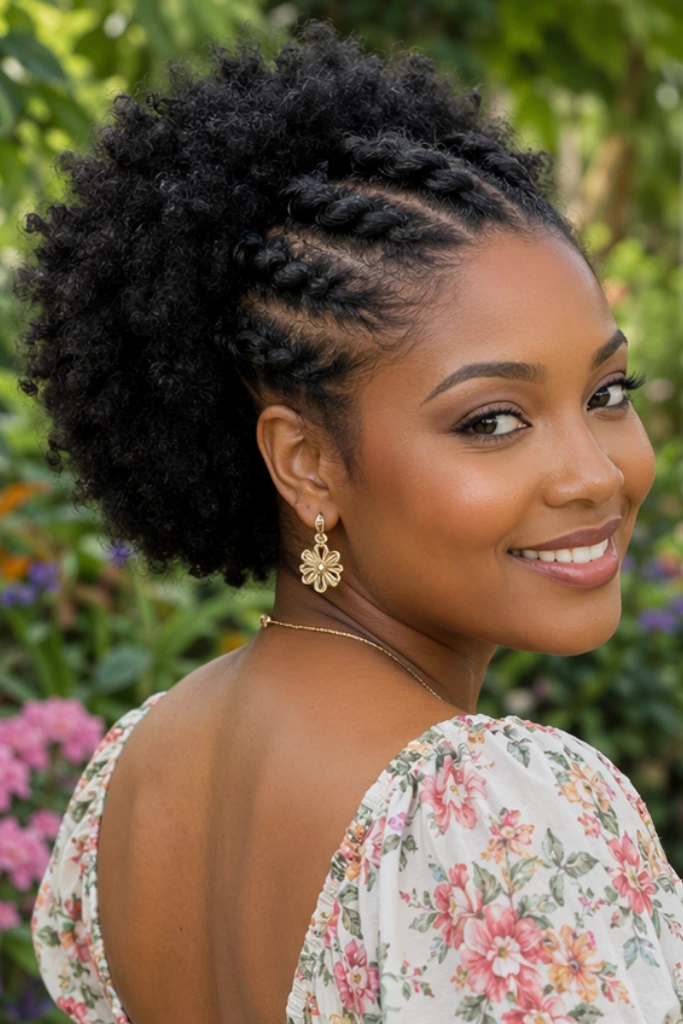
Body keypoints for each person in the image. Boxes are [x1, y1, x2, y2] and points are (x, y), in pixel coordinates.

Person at [15, 18, 683, 1024]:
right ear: (307, 464)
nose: (592, 472)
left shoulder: (133, 775)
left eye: (604, 391)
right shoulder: (491, 806)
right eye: (491, 419)